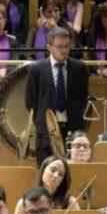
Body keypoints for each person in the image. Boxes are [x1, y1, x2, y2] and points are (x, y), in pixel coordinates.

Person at [28, 27, 90, 165]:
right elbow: (31, 101)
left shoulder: (79, 68)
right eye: (60, 46)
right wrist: (43, 124)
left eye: (67, 46)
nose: (64, 50)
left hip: (73, 129)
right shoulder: (36, 69)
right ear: (49, 47)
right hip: (47, 132)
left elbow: (84, 99)